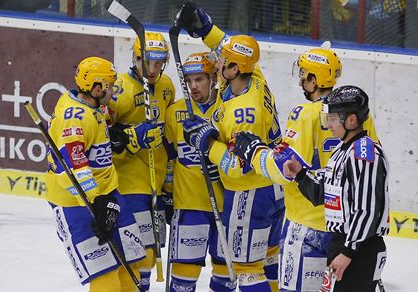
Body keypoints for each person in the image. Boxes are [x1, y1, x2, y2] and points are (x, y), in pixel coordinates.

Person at [232, 45, 380, 291]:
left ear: (314, 80)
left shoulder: (305, 114)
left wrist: (254, 152)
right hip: (342, 229)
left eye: (304, 75)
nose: (301, 81)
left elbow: (285, 169)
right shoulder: (359, 115)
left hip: (306, 227)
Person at [177, 3, 285, 291]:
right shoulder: (254, 78)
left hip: (250, 192)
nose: (217, 60)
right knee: (269, 260)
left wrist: (207, 142)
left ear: (235, 68)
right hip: (273, 188)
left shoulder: (242, 113)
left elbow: (238, 167)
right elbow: (231, 47)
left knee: (247, 270)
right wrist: (205, 28)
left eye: (223, 60)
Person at [44, 56, 146, 291]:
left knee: (130, 272)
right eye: (110, 86)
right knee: (106, 280)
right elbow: (74, 167)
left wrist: (107, 201)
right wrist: (98, 202)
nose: (113, 90)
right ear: (96, 88)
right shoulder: (74, 120)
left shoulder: (92, 107)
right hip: (75, 205)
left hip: (109, 197)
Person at [282, 85, 390, 292]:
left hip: (358, 249)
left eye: (332, 119)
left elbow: (367, 210)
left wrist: (348, 252)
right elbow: (325, 192)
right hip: (343, 244)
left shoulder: (363, 153)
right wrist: (300, 174)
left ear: (351, 120)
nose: (328, 125)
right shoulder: (343, 150)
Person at [105, 32, 176, 292]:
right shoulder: (119, 90)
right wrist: (131, 136)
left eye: (159, 63)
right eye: (148, 62)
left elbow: (168, 137)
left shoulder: (167, 86)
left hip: (155, 182)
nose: (154, 69)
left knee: (150, 247)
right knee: (136, 250)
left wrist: (169, 183)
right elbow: (102, 136)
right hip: (128, 181)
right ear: (136, 59)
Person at [163, 52, 236, 292]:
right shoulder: (174, 113)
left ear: (213, 78)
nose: (193, 86)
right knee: (183, 279)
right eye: (189, 80)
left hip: (226, 206)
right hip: (189, 206)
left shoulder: (228, 108)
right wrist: (166, 193)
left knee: (225, 278)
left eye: (199, 80)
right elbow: (170, 158)